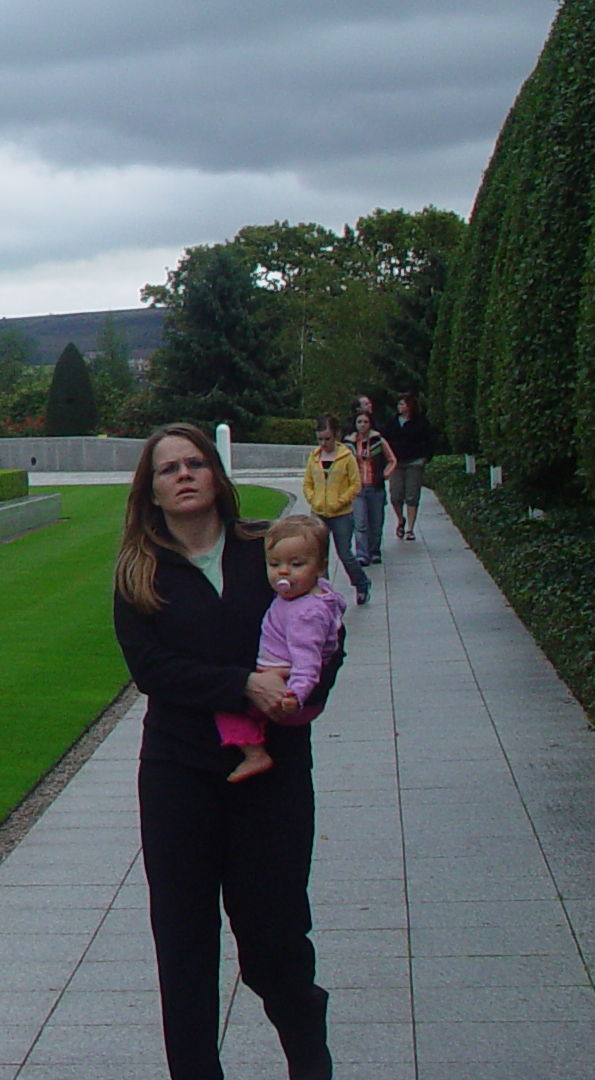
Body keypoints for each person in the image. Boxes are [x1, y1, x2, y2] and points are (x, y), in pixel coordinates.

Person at [114, 422, 337, 1080]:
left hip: (272, 776)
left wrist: (303, 696)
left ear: (216, 475)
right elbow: (153, 670)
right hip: (180, 773)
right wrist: (241, 686)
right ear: (150, 492)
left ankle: (309, 1057)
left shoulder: (266, 550)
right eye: (167, 469)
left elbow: (325, 632)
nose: (183, 475)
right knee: (184, 948)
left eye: (194, 463)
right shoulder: (139, 573)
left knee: (274, 942)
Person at [215, 514, 347, 783]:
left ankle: (254, 754)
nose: (283, 573)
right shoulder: (315, 595)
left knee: (225, 708)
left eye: (296, 564)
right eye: (274, 564)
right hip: (289, 684)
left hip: (287, 686)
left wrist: (295, 696)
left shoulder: (304, 615)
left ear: (320, 567)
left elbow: (308, 661)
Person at [304, 414, 369, 605]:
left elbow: (355, 485)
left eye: (328, 439)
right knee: (320, 557)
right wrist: (313, 499)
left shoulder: (346, 457)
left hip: (341, 514)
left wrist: (340, 501)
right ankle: (325, 593)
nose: (324, 443)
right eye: (320, 439)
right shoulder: (314, 456)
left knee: (345, 554)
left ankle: (361, 583)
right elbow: (308, 483)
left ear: (336, 436)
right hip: (319, 513)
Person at [350, 408, 394, 565]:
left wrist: (385, 474)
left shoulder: (378, 441)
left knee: (376, 522)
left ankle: (374, 551)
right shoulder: (350, 443)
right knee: (360, 523)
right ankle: (362, 553)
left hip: (375, 486)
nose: (362, 425)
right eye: (359, 422)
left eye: (365, 422)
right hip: (357, 489)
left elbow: (391, 459)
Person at [390, 392, 437, 541]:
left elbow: (430, 441)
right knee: (395, 495)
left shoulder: (421, 422)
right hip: (397, 463)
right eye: (399, 404)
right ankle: (400, 519)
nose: (399, 407)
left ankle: (410, 528)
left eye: (402, 404)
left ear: (410, 406)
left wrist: (425, 458)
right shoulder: (392, 422)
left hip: (414, 462)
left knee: (412, 495)